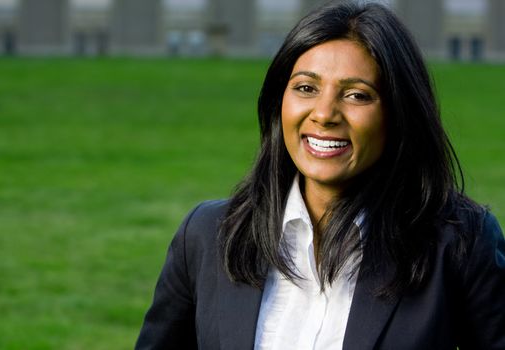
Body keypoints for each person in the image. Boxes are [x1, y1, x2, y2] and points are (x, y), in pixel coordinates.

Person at [135, 1, 505, 349]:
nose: (324, 113)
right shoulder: (206, 235)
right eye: (306, 88)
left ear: (399, 113)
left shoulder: (461, 245)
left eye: (357, 95)